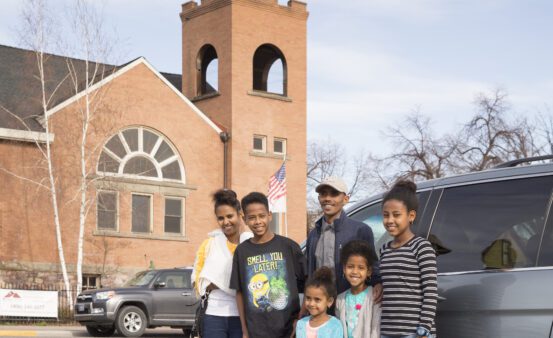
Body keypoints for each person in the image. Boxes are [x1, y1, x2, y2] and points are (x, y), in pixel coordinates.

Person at [230, 192, 307, 338]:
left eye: (262, 216)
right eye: (252, 217)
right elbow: (239, 292)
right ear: (244, 219)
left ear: (270, 215)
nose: (258, 221)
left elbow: (309, 281)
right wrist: (245, 330)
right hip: (256, 331)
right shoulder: (242, 251)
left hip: (288, 329)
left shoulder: (288, 246)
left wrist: (301, 318)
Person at [305, 176, 382, 299]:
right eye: (323, 194)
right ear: (319, 198)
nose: (327, 198)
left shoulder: (360, 230)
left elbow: (372, 265)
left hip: (350, 307)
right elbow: (309, 274)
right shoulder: (313, 235)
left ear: (345, 199)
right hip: (321, 309)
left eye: (334, 194)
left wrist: (378, 283)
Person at [191, 189, 253, 338]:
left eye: (230, 216)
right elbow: (197, 280)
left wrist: (217, 283)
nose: (225, 222)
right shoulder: (209, 244)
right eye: (220, 218)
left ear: (240, 214)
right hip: (214, 316)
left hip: (243, 317)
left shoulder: (252, 243)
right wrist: (231, 284)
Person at [379, 180, 437, 338]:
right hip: (387, 331)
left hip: (415, 333)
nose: (390, 220)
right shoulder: (384, 250)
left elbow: (430, 292)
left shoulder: (421, 247)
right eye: (386, 215)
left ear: (411, 216)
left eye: (396, 215)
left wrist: (424, 328)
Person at [335, 240, 380, 338]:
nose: (355, 271)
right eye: (350, 267)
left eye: (361, 268)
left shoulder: (375, 296)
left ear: (369, 271)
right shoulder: (340, 300)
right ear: (344, 268)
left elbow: (376, 330)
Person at [295, 267, 343, 338]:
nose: (311, 304)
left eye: (317, 299)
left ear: (329, 301)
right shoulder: (301, 324)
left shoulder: (335, 325)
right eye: (308, 298)